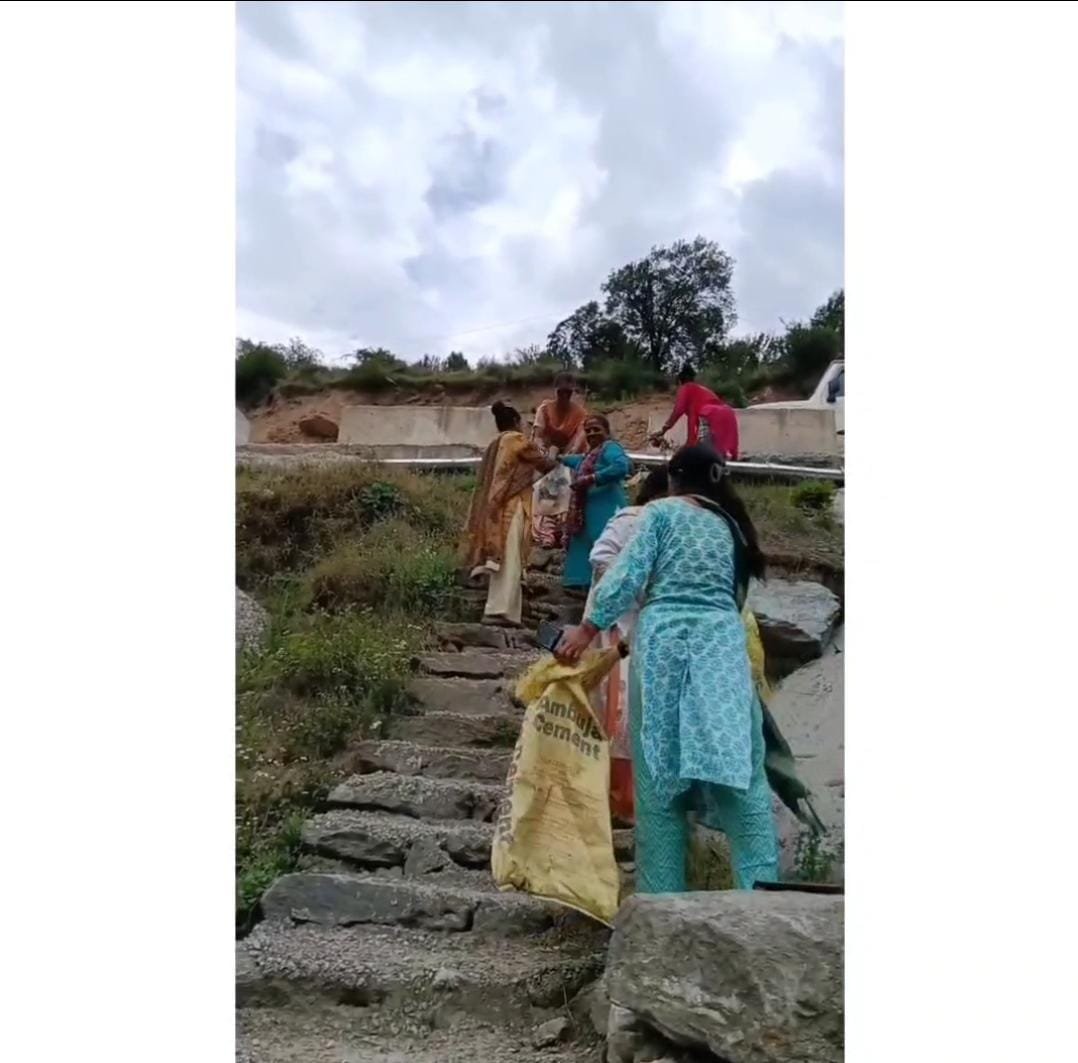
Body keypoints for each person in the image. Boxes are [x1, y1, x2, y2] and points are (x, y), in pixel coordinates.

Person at [556, 444, 779, 892]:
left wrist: (586, 629)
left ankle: (661, 899)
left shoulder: (659, 514)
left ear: (673, 479)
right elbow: (737, 601)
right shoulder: (732, 526)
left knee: (659, 781)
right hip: (722, 651)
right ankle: (762, 893)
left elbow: (625, 576)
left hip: (663, 651)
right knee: (741, 777)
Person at [585, 466, 669, 824]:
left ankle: (633, 800)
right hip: (619, 628)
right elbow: (601, 558)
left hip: (649, 630)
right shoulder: (631, 519)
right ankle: (619, 799)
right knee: (620, 711)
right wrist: (631, 586)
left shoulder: (669, 523)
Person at [463, 401, 555, 627]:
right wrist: (557, 450)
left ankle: (510, 612)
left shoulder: (494, 444)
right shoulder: (517, 440)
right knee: (510, 558)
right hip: (512, 505)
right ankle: (500, 610)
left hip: (494, 507)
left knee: (503, 557)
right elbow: (545, 464)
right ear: (515, 422)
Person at [560, 414, 633, 591]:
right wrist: (555, 457)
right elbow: (576, 461)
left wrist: (592, 479)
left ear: (607, 431)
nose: (592, 433)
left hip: (606, 507)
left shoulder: (610, 448)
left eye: (596, 429)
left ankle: (607, 588)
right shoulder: (590, 456)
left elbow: (621, 466)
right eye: (588, 431)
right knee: (582, 544)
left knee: (606, 545)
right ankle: (581, 585)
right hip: (587, 509)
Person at [530, 373, 588, 549]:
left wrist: (567, 458)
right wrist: (545, 456)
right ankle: (545, 532)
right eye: (561, 392)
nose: (564, 396)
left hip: (568, 458)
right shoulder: (544, 410)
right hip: (546, 456)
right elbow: (538, 437)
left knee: (568, 485)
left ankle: (564, 530)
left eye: (568, 392)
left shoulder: (580, 413)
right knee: (541, 487)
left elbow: (580, 439)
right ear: (555, 391)